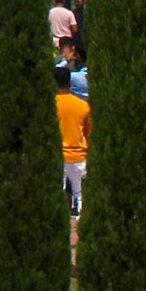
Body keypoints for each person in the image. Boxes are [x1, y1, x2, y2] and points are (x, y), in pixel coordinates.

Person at [55, 64, 91, 217]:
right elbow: (89, 133)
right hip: (79, 157)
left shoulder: (50, 105)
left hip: (58, 156)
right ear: (70, 83)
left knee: (58, 194)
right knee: (80, 195)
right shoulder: (83, 106)